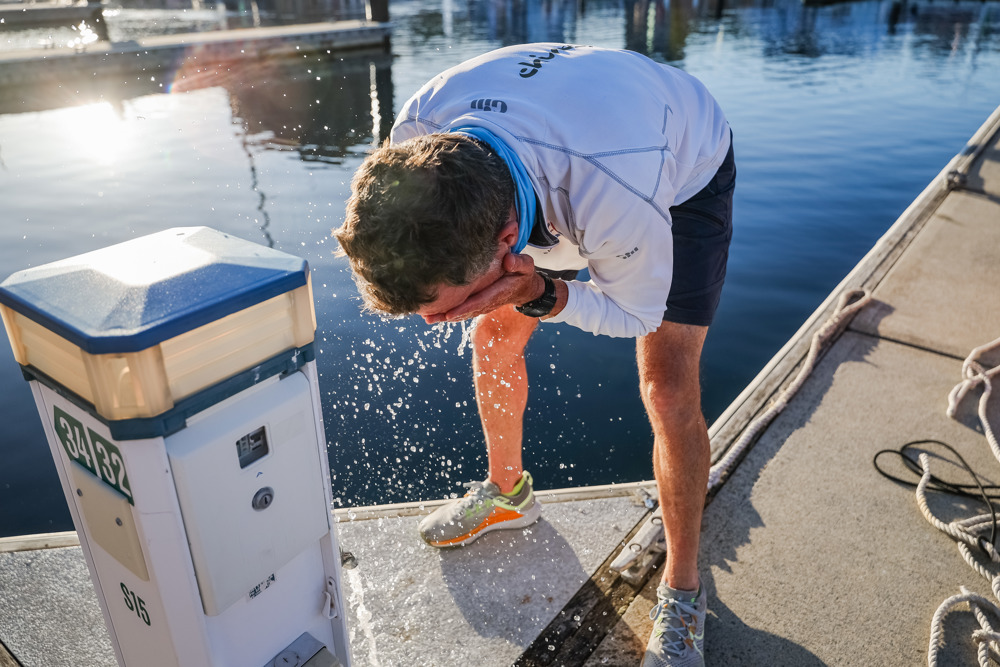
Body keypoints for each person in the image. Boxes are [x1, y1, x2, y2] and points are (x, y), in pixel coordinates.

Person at [334, 43, 734, 667]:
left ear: (503, 241)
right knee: (491, 332)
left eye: (440, 306)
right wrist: (496, 294)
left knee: (667, 387)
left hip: (677, 161)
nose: (434, 321)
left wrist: (544, 292)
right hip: (553, 144)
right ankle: (507, 492)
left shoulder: (618, 188)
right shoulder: (414, 137)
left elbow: (637, 314)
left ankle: (683, 591)